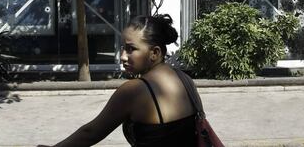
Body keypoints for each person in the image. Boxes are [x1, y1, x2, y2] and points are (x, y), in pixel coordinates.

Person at [38, 14, 198, 147]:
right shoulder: (186, 80)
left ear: (154, 53)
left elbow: (90, 133)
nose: (122, 57)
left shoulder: (135, 90)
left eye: (131, 49)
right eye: (123, 48)